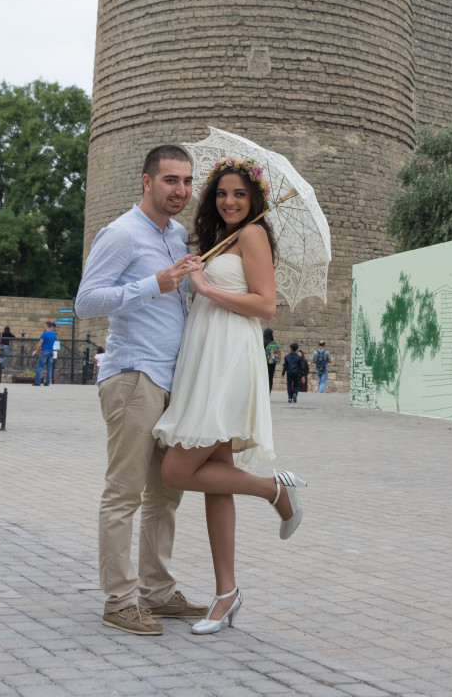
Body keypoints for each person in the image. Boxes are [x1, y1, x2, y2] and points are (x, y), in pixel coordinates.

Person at [153, 155, 307, 636]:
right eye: (222, 193)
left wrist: (205, 287)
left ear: (254, 197)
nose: (230, 201)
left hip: (228, 359)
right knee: (216, 480)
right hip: (205, 357)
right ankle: (226, 594)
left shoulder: (254, 235)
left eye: (240, 193)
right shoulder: (221, 238)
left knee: (177, 470)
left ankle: (274, 488)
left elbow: (265, 304)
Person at [75, 144, 206, 636]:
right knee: (124, 494)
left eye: (188, 181)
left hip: (171, 380)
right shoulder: (122, 234)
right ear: (147, 182)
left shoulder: (176, 235)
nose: (182, 191)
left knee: (165, 495)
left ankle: (158, 592)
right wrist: (153, 283)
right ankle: (118, 600)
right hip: (133, 377)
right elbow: (87, 301)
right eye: (171, 180)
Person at [263, 327, 281, 392]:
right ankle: (268, 394)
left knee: (262, 379)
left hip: (263, 364)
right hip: (272, 364)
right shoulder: (274, 344)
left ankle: (263, 394)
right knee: (270, 379)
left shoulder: (263, 344)